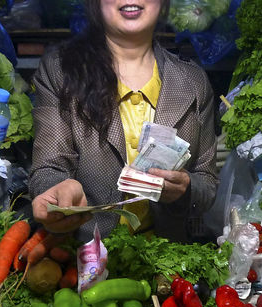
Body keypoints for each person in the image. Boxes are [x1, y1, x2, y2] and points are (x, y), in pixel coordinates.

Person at [29, 0, 219, 243]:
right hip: (88, 256)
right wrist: (58, 190)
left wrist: (185, 189)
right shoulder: (61, 71)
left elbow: (208, 183)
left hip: (167, 257)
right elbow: (48, 167)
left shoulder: (193, 82)